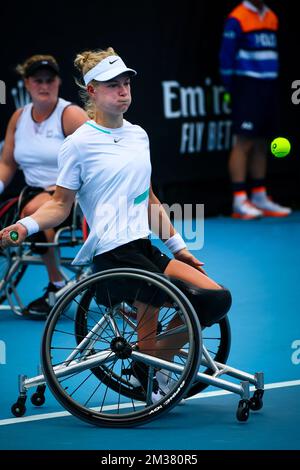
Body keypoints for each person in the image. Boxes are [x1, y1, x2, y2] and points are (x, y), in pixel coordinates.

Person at [0, 47, 230, 401]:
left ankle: (152, 360)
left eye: (126, 83)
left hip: (144, 247)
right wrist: (26, 226)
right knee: (170, 313)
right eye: (112, 85)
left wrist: (179, 249)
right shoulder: (77, 144)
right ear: (92, 91)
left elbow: (150, 200)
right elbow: (60, 206)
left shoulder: (139, 136)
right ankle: (152, 361)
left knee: (216, 299)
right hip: (113, 253)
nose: (123, 90)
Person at [0, 54, 87, 315]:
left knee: (32, 211)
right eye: (38, 80)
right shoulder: (19, 117)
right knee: (30, 207)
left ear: (58, 82)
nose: (44, 86)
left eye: (50, 80)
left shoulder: (70, 115)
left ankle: (57, 286)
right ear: (27, 83)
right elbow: (7, 163)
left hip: (71, 199)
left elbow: (96, 155)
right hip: (33, 195)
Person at [219, 0, 291, 219]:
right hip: (246, 86)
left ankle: (259, 196)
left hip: (269, 85)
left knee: (262, 140)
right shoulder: (237, 17)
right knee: (244, 142)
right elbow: (226, 56)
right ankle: (240, 200)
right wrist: (230, 87)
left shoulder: (271, 16)